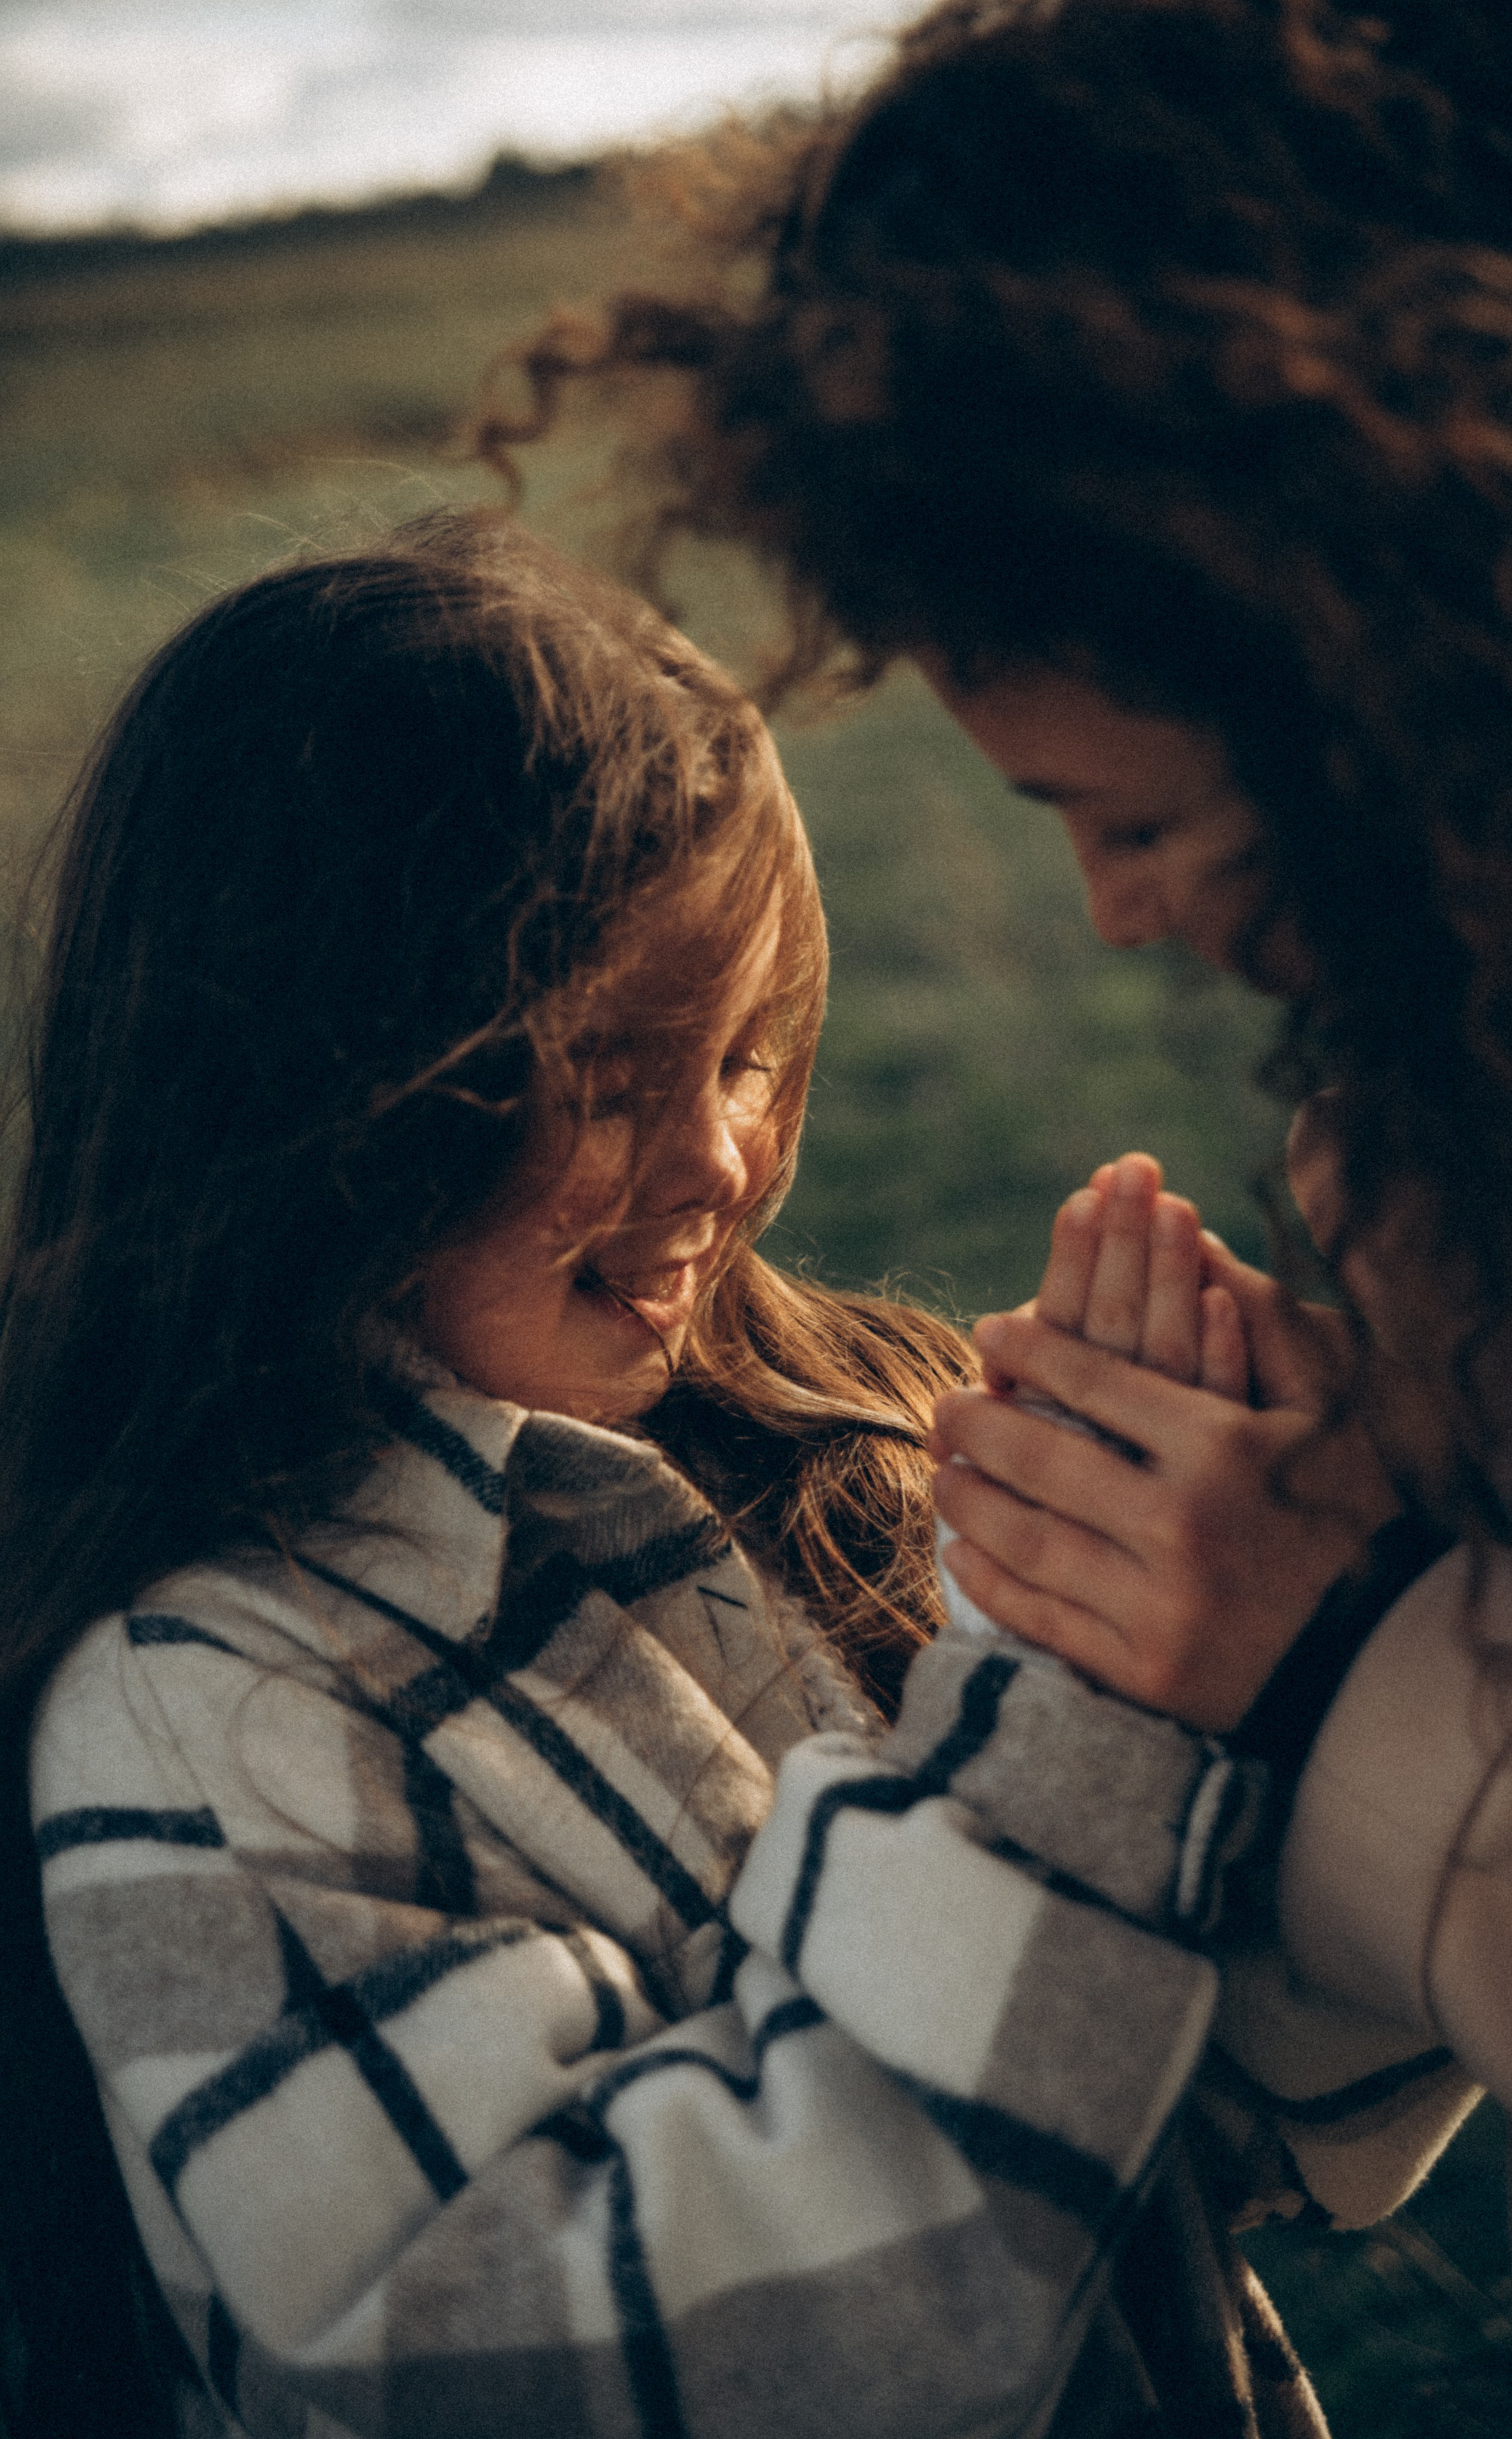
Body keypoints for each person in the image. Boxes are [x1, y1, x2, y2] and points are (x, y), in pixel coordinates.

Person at [478, 1, 1512, 2426]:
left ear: (1407, 659)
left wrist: (1342, 1670)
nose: (1114, 919)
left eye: (1140, 815)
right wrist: (1178, 1671)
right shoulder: (1477, 1109)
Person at [0, 509, 1316, 2439]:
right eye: (607, 1082)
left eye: (750, 1054)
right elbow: (623, 2358)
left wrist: (1287, 1636)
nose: (717, 1162)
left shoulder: (846, 1436)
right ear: (316, 1095)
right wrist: (1076, 1726)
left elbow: (1200, 2107)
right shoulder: (209, 1712)